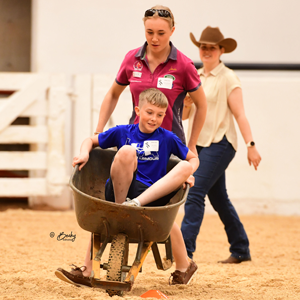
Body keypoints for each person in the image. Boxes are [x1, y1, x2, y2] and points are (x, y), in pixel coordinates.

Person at [55, 88, 199, 286]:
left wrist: (188, 173)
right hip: (120, 191)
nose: (154, 119)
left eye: (160, 115)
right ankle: (88, 269)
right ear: (138, 111)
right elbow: (90, 140)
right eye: (149, 112)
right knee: (127, 151)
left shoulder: (167, 137)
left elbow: (193, 158)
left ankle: (184, 266)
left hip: (151, 195)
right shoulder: (123, 132)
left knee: (183, 166)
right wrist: (84, 153)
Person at [181, 26, 262, 263]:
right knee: (219, 199)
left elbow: (240, 115)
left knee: (195, 192)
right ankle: (241, 249)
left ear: (221, 50)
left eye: (212, 48)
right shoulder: (194, 76)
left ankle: (185, 253)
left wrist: (251, 144)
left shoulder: (228, 78)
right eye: (203, 47)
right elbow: (186, 116)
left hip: (221, 143)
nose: (207, 51)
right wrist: (186, 103)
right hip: (200, 144)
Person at [95, 5, 207, 154]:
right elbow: (112, 94)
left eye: (161, 33)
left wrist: (192, 144)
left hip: (170, 148)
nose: (154, 39)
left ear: (172, 31)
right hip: (134, 146)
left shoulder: (184, 65)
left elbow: (202, 104)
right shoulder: (131, 59)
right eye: (149, 32)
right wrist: (98, 132)